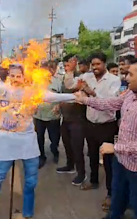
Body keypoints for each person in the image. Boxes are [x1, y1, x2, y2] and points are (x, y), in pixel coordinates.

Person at [0, 63, 76, 219]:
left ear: (24, 77)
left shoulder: (31, 92)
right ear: (8, 75)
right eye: (12, 75)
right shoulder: (0, 89)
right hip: (5, 142)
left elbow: (52, 96)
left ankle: (28, 211)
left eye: (18, 76)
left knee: (31, 181)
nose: (15, 79)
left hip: (27, 141)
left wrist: (74, 96)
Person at [75, 57, 137, 219]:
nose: (125, 78)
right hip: (122, 162)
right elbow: (113, 103)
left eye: (130, 74)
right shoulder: (132, 93)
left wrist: (115, 148)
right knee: (118, 198)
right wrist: (85, 100)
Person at [78, 53, 121, 214]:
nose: (95, 68)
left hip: (106, 126)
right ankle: (93, 181)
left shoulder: (114, 80)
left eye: (98, 64)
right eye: (92, 65)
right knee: (93, 156)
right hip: (90, 123)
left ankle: (110, 193)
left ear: (104, 64)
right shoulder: (88, 77)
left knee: (109, 162)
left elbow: (110, 103)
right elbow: (72, 85)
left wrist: (92, 93)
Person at [56, 54, 88, 186]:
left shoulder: (82, 78)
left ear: (75, 63)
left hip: (78, 120)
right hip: (66, 119)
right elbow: (63, 94)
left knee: (77, 147)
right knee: (67, 145)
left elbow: (72, 88)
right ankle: (70, 166)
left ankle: (81, 173)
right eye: (65, 65)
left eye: (69, 64)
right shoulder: (64, 77)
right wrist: (59, 104)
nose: (67, 67)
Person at [33, 61, 62, 168]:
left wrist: (59, 106)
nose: (49, 71)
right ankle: (41, 157)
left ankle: (55, 151)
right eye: (46, 69)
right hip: (39, 115)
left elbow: (62, 96)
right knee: (39, 137)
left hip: (53, 116)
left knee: (54, 138)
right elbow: (32, 96)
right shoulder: (36, 82)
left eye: (52, 68)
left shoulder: (58, 82)